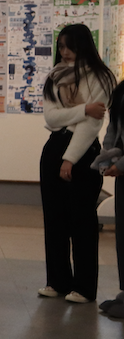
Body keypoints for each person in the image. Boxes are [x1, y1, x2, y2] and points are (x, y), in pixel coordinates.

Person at [38, 23, 114, 303]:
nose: (65, 52)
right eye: (61, 47)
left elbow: (93, 124)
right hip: (54, 147)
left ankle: (84, 286)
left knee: (82, 220)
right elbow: (51, 118)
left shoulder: (100, 76)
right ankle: (57, 281)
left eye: (70, 46)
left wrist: (69, 159)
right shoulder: (55, 76)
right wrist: (83, 109)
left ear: (83, 46)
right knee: (54, 218)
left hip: (83, 152)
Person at [95, 80, 124, 319]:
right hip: (122, 175)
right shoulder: (122, 91)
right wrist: (107, 159)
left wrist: (121, 165)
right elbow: (113, 129)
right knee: (122, 235)